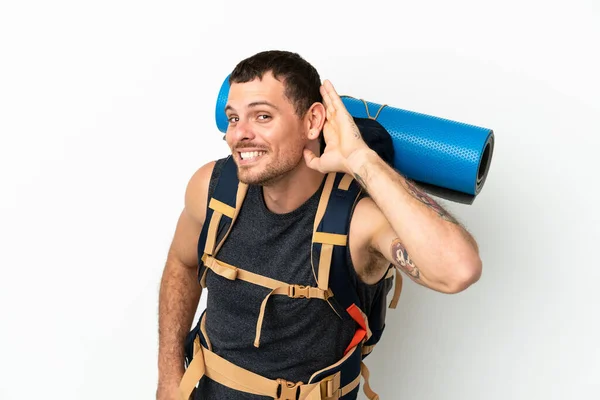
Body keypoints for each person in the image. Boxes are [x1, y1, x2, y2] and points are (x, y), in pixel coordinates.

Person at [156, 50, 482, 400]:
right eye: (234, 119)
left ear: (313, 122)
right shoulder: (212, 188)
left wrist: (361, 159)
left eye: (262, 116)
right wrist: (170, 376)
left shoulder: (357, 221)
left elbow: (458, 270)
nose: (240, 134)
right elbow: (182, 263)